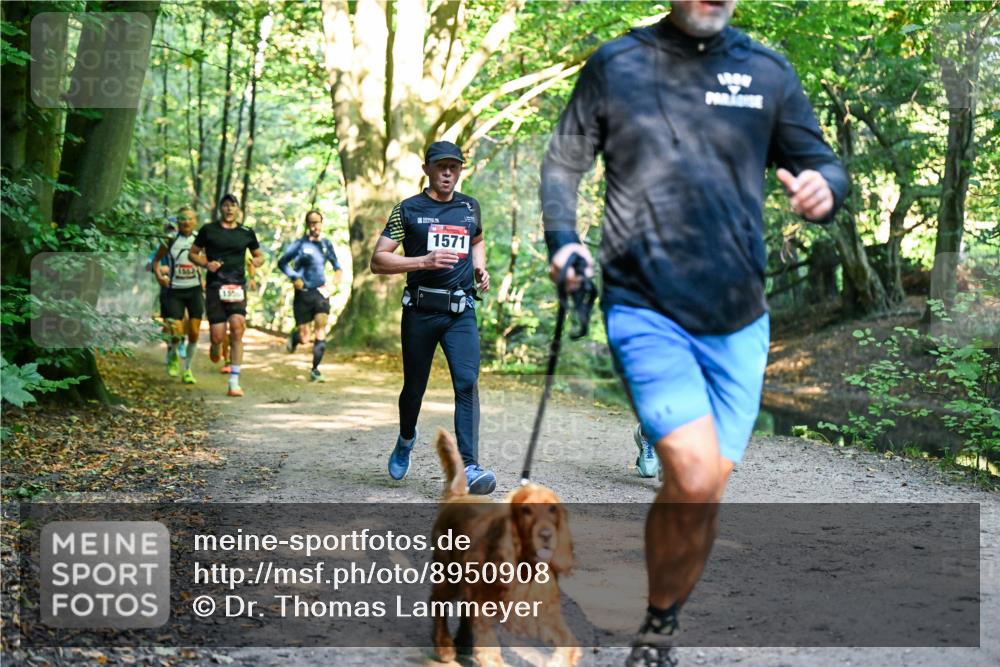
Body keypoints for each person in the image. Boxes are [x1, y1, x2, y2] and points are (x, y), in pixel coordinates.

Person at [540, 2, 849, 664]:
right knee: (694, 469)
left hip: (740, 318)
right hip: (645, 305)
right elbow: (564, 161)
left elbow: (823, 162)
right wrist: (564, 239)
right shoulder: (618, 63)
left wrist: (825, 188)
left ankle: (660, 623)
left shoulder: (766, 71)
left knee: (702, 492)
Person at [370, 140, 496, 495]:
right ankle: (406, 438)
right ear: (426, 169)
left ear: (460, 171)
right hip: (420, 311)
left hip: (460, 311)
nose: (447, 173)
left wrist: (480, 268)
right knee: (414, 388)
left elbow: (477, 240)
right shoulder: (408, 210)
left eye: (454, 167)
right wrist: (422, 261)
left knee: (467, 383)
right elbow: (378, 260)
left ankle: (468, 466)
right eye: (441, 166)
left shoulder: (469, 207)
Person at [188, 194, 264, 397]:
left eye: (233, 206)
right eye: (226, 205)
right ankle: (215, 346)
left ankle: (234, 382)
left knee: (238, 328)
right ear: (220, 209)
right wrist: (206, 264)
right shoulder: (208, 230)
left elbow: (259, 255)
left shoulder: (246, 232)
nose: (229, 209)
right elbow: (192, 253)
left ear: (238, 209)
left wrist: (257, 262)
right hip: (215, 287)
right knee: (218, 336)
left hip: (237, 286)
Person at [278, 209, 343, 382]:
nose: (315, 226)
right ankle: (295, 337)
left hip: (321, 292)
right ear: (308, 225)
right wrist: (294, 277)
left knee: (321, 327)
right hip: (303, 293)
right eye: (312, 223)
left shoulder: (326, 244)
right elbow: (282, 262)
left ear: (322, 223)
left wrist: (335, 282)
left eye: (318, 222)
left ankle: (315, 369)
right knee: (305, 337)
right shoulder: (300, 244)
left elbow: (337, 267)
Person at [150, 206, 204, 384]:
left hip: (195, 290)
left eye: (190, 218)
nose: (186, 222)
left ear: (195, 221)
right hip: (175, 290)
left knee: (194, 332)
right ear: (178, 222)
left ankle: (187, 369)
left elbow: (209, 261)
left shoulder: (200, 240)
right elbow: (156, 260)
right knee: (176, 330)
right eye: (182, 219)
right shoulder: (171, 240)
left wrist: (207, 278)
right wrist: (159, 277)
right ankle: (173, 354)